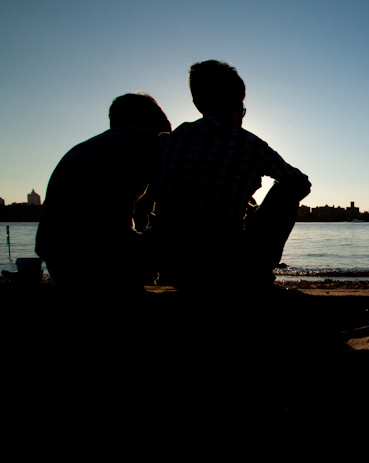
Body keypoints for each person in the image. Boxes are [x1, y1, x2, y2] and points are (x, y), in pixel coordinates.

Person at [154, 60, 311, 292]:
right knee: (286, 190)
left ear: (197, 103)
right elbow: (301, 183)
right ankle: (256, 275)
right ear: (238, 105)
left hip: (173, 270)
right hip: (229, 270)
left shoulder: (166, 142)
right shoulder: (249, 144)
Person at [36, 93, 171, 292]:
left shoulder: (79, 149)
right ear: (147, 121)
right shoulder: (150, 144)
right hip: (107, 269)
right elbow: (176, 203)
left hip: (59, 268)